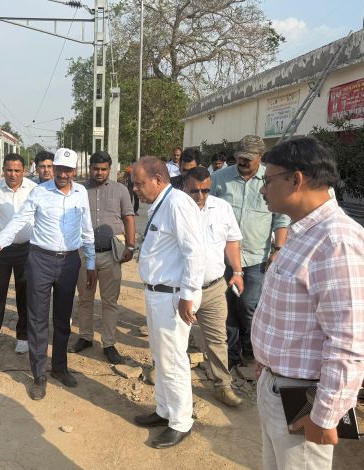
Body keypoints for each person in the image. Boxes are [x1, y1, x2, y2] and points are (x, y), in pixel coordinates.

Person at [252, 137, 364, 469]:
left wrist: (324, 415)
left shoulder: (336, 242)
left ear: (296, 180)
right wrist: (266, 361)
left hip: (304, 397)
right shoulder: (304, 233)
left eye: (268, 180)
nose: (263, 190)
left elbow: (349, 341)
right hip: (278, 386)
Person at [0, 148, 96, 401]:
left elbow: (86, 228)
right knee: (37, 319)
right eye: (59, 169)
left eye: (68, 170)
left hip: (69, 262)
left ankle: (60, 367)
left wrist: (90, 262)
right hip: (40, 260)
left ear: (75, 171)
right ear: (53, 168)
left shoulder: (81, 193)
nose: (62, 174)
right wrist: (0, 242)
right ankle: (39, 375)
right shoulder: (39, 192)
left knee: (63, 319)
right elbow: (19, 220)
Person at [130, 156, 204, 449]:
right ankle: (164, 410)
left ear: (158, 179)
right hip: (157, 294)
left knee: (173, 360)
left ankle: (181, 421)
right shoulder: (162, 204)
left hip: (173, 297)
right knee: (160, 356)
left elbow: (194, 253)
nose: (135, 189)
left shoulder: (177, 204)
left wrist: (188, 295)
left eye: (139, 183)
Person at [210, 135, 289, 370]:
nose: (243, 162)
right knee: (227, 307)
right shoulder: (219, 179)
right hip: (223, 258)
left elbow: (281, 218)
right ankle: (231, 353)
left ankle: (251, 350)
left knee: (249, 306)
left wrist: (278, 249)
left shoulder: (271, 179)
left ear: (260, 157)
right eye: (240, 158)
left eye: (248, 158)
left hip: (256, 258)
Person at [182, 167, 244, 407]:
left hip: (214, 287)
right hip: (183, 289)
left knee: (218, 339)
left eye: (205, 190)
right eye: (194, 191)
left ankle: (222, 386)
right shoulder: (175, 208)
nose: (200, 196)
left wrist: (237, 272)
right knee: (175, 336)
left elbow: (231, 241)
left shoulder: (222, 208)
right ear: (185, 187)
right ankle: (167, 377)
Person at [69, 150, 136, 364]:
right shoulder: (79, 190)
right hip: (83, 254)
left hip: (111, 254)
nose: (100, 172)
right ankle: (85, 337)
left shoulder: (121, 190)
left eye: (104, 169)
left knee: (110, 301)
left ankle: (109, 343)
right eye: (96, 169)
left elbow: (128, 218)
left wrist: (131, 245)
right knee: (85, 299)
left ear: (110, 169)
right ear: (90, 168)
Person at [0, 153, 37, 357]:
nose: (13, 174)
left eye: (17, 170)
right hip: (0, 249)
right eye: (9, 170)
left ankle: (23, 337)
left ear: (24, 171)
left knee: (25, 293)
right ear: (3, 170)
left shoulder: (33, 189)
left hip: (27, 249)